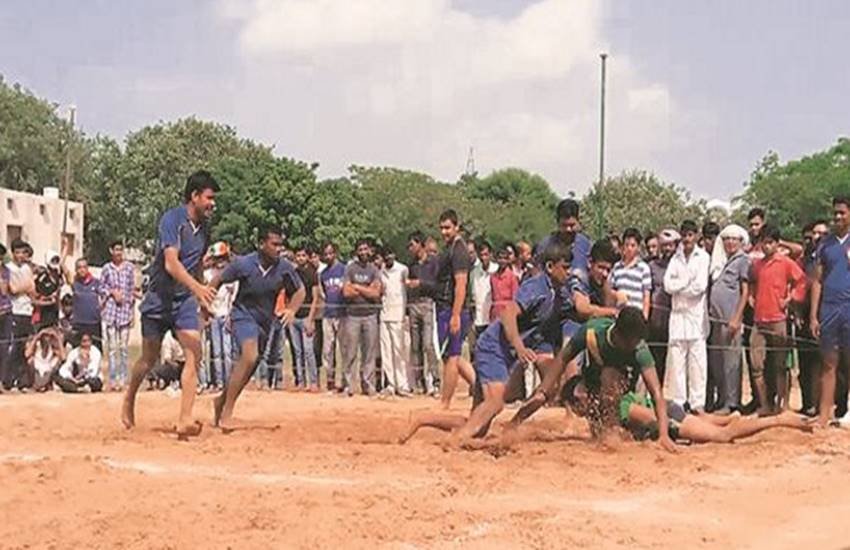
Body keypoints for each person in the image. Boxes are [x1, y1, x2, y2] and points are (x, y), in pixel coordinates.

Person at [399, 241, 571, 446]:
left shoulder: (558, 294)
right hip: (493, 347)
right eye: (565, 267)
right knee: (495, 402)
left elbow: (578, 309)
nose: (569, 273)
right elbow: (508, 313)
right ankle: (457, 440)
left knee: (479, 424)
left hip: (501, 351)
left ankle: (422, 419)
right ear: (551, 267)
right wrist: (519, 346)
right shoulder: (537, 287)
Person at [122, 170, 220, 438]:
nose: (213, 204)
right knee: (149, 358)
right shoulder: (172, 219)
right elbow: (171, 263)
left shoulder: (206, 230)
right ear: (195, 196)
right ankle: (129, 396)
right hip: (158, 299)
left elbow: (196, 263)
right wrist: (198, 288)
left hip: (184, 301)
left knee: (194, 351)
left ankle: (185, 418)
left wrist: (201, 299)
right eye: (210, 198)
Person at [509, 307, 677, 453]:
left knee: (690, 430)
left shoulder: (640, 350)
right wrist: (544, 391)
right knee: (586, 404)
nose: (636, 344)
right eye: (633, 342)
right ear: (620, 336)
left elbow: (656, 392)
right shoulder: (592, 332)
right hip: (597, 393)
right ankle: (614, 428)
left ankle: (627, 428)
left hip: (629, 402)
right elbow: (562, 358)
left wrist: (663, 435)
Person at [210, 227, 305, 430]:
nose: (279, 249)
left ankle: (221, 400)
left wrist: (292, 309)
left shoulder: (284, 268)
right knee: (250, 355)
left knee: (249, 367)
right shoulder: (244, 264)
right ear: (261, 244)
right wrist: (204, 303)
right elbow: (217, 279)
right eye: (274, 244)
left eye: (281, 245)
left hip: (265, 322)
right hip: (242, 315)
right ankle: (228, 411)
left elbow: (300, 291)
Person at [561, 374, 810, 445]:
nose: (577, 410)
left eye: (575, 404)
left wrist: (675, 433)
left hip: (668, 416)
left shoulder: (617, 406)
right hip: (668, 410)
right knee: (717, 427)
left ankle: (779, 419)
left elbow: (650, 417)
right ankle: (729, 418)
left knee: (723, 436)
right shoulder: (598, 414)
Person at [750, 225, 806, 415]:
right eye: (764, 242)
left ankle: (783, 404)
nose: (766, 246)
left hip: (778, 319)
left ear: (776, 243)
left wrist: (790, 298)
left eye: (770, 242)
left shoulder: (785, 263)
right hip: (759, 320)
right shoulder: (757, 265)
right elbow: (751, 283)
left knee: (781, 365)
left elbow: (801, 281)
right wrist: (751, 297)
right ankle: (765, 404)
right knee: (756, 365)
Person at [664, 220, 710, 412]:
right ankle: (678, 404)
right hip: (677, 317)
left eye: (691, 235)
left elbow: (699, 287)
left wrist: (679, 286)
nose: (687, 239)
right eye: (684, 235)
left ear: (696, 236)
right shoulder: (675, 258)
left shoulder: (703, 257)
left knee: (698, 364)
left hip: (696, 318)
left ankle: (697, 404)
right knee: (676, 363)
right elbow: (668, 286)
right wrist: (684, 281)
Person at [812, 197, 850, 428]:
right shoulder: (825, 244)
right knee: (829, 363)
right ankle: (824, 414)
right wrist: (813, 315)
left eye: (842, 213)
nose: (838, 217)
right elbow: (816, 280)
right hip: (829, 308)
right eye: (835, 213)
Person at [706, 225, 750, 413]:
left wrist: (737, 317)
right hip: (715, 320)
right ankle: (722, 398)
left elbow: (745, 292)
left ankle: (732, 403)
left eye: (734, 239)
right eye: (726, 239)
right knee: (718, 362)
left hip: (730, 319)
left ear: (741, 242)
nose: (730, 242)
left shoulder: (742, 261)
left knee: (732, 362)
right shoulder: (721, 261)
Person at [435, 210, 475, 409]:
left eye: (448, 227)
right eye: (441, 228)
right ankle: (479, 387)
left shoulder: (458, 250)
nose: (444, 232)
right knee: (452, 356)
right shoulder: (450, 248)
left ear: (457, 227)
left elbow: (461, 284)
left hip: (453, 309)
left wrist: (456, 315)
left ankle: (445, 403)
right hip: (445, 308)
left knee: (451, 356)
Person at [341, 238, 383, 396]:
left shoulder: (374, 269)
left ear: (370, 250)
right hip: (352, 316)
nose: (363, 252)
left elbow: (376, 293)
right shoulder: (350, 269)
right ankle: (348, 386)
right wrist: (367, 288)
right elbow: (346, 292)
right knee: (350, 353)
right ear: (356, 251)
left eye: (366, 249)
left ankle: (368, 385)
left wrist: (357, 287)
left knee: (369, 353)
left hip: (370, 316)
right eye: (360, 249)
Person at [797, 220, 829, 416]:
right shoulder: (806, 260)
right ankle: (807, 403)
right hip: (806, 316)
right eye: (812, 235)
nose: (816, 238)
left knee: (823, 364)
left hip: (827, 316)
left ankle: (822, 406)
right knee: (805, 363)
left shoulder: (834, 258)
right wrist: (801, 313)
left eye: (822, 234)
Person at [405, 232, 441, 395]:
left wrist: (420, 283)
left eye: (412, 244)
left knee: (428, 344)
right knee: (415, 346)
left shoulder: (433, 263)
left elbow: (436, 285)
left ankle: (436, 381)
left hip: (427, 303)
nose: (410, 248)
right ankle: (419, 382)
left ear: (420, 244)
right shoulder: (412, 265)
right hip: (414, 304)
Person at [101, 241, 137, 391]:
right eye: (116, 250)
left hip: (124, 311)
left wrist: (132, 311)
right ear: (111, 251)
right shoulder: (106, 268)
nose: (118, 253)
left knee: (123, 347)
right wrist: (112, 293)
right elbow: (101, 287)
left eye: (120, 250)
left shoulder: (129, 268)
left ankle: (122, 379)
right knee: (112, 348)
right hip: (110, 311)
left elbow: (132, 289)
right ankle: (113, 379)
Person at [204, 242, 238, 390]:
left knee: (227, 351)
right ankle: (218, 382)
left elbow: (234, 298)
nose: (220, 262)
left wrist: (231, 315)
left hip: (226, 315)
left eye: (222, 258)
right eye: (217, 258)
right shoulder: (207, 275)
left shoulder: (232, 276)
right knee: (216, 352)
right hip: (213, 315)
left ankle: (228, 382)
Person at [534, 198, 592, 281]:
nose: (568, 229)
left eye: (572, 225)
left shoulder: (586, 246)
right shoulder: (545, 246)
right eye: (564, 225)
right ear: (557, 223)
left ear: (578, 221)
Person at [648, 229, 678, 383]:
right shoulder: (652, 266)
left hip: (676, 320)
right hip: (656, 321)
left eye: (670, 245)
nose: (667, 249)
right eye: (664, 245)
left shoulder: (680, 266)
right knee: (655, 359)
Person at [379, 246, 410, 396]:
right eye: (386, 255)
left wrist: (406, 314)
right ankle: (391, 384)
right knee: (386, 351)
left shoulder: (403, 270)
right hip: (384, 316)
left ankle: (402, 385)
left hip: (399, 315)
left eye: (390, 254)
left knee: (399, 351)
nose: (389, 257)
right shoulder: (381, 272)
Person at [6, 239, 35, 390]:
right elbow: (13, 289)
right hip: (15, 310)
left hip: (27, 311)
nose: (20, 255)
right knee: (13, 347)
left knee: (25, 347)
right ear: (12, 253)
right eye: (17, 252)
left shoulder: (27, 268)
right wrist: (25, 286)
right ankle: (8, 380)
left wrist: (24, 286)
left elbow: (33, 288)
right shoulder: (8, 268)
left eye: (23, 252)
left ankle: (22, 381)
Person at [292, 245, 320, 392]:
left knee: (309, 351)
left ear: (308, 257)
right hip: (294, 317)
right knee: (297, 352)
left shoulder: (312, 273)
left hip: (306, 317)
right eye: (298, 255)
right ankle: (301, 382)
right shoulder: (293, 273)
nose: (300, 258)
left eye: (303, 255)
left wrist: (311, 319)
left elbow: (315, 298)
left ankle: (314, 382)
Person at [320, 242, 346, 392]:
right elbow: (323, 293)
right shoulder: (323, 274)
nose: (328, 256)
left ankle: (344, 382)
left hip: (342, 314)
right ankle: (330, 381)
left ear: (335, 253)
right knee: (328, 350)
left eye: (330, 253)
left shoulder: (344, 269)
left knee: (343, 349)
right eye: (325, 254)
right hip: (328, 314)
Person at [610, 227, 651, 319]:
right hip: (619, 316)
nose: (629, 248)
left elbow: (646, 296)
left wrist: (645, 318)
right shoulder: (616, 267)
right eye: (627, 245)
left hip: (636, 316)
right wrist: (617, 295)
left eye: (633, 245)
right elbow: (609, 290)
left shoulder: (644, 268)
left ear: (638, 247)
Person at [70, 258, 105, 349]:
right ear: (76, 269)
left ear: (87, 268)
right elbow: (63, 269)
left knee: (96, 350)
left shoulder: (96, 282)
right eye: (79, 267)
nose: (82, 269)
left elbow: (105, 295)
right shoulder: (74, 282)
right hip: (79, 322)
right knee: (77, 351)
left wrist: (101, 307)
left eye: (84, 267)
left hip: (93, 322)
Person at [470, 240, 497, 337]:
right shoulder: (474, 273)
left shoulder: (496, 270)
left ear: (490, 254)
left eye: (486, 254)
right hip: (478, 319)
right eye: (481, 255)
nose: (483, 258)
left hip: (493, 318)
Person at [33, 250, 63, 329]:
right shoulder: (42, 277)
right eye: (53, 260)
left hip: (55, 313)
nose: (55, 262)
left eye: (56, 260)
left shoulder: (58, 275)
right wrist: (48, 298)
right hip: (43, 313)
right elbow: (36, 295)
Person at [489, 246, 519, 322]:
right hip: (495, 312)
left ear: (508, 260)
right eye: (500, 258)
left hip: (507, 311)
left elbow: (515, 297)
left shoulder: (512, 276)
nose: (502, 261)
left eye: (505, 259)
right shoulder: (493, 277)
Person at [0, 244, 12, 393]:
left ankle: (1, 381)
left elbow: (4, 291)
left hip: (5, 311)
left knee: (4, 348)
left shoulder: (6, 272)